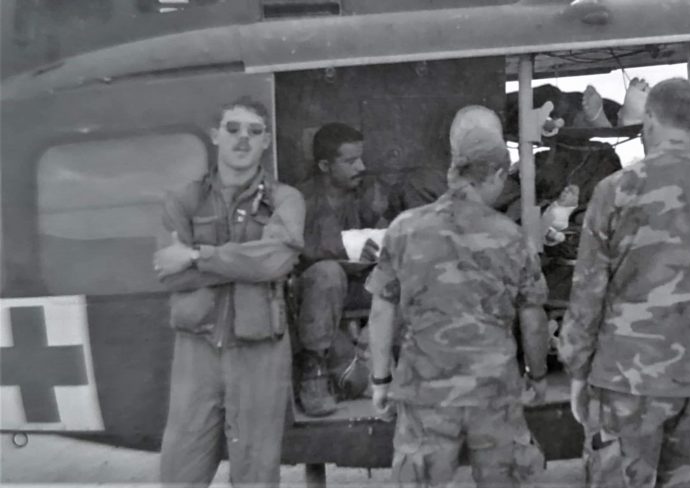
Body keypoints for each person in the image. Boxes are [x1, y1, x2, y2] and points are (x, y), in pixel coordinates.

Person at [559, 78, 690, 487]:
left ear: (650, 121)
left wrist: (576, 371)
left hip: (626, 382)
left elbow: (587, 293)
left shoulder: (614, 192)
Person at [367, 105, 551, 487]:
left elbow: (381, 311)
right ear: (498, 174)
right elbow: (532, 319)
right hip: (494, 391)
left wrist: (380, 380)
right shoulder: (511, 237)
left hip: (424, 391)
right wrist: (538, 375)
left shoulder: (404, 230)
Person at [153, 96, 305, 487]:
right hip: (197, 351)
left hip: (260, 351)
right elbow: (169, 274)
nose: (243, 139)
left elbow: (277, 261)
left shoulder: (285, 199)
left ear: (267, 141)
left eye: (254, 132)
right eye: (233, 129)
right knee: (179, 473)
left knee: (256, 473)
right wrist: (243, 264)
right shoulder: (184, 199)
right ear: (215, 136)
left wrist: (194, 255)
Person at [294, 122, 384, 416]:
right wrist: (342, 254)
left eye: (361, 158)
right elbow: (294, 252)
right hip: (316, 297)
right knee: (327, 274)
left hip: (361, 286)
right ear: (324, 165)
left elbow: (384, 233)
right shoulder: (301, 201)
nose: (361, 166)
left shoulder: (367, 193)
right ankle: (314, 374)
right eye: (350, 161)